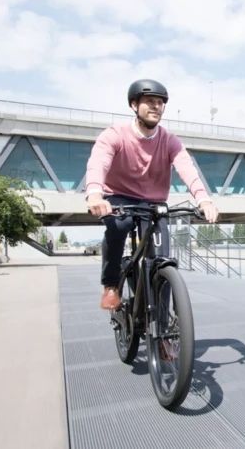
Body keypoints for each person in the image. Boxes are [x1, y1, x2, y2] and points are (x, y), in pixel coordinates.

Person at [85, 79, 219, 311]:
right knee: (118, 225)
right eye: (149, 102)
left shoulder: (169, 141)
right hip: (119, 195)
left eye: (160, 103)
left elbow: (186, 168)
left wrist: (203, 199)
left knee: (161, 261)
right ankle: (111, 284)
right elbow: (98, 163)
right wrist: (95, 195)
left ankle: (164, 330)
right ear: (134, 105)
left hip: (153, 202)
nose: (156, 107)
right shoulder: (115, 135)